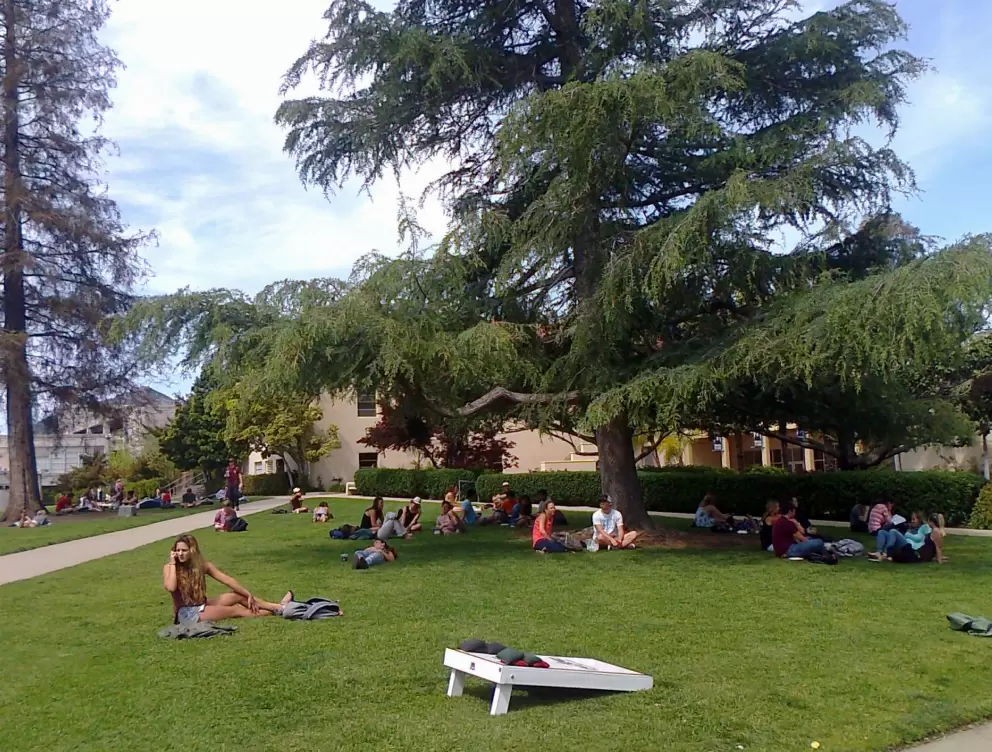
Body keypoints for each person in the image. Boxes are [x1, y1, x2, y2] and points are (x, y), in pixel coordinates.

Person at [163, 534, 296, 622]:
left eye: (184, 550)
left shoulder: (202, 566)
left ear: (192, 551)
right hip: (186, 614)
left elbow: (227, 580)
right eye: (178, 550)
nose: (180, 553)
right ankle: (277, 611)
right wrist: (173, 564)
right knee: (237, 609)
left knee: (236, 596)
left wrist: (248, 594)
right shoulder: (170, 567)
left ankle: (278, 607)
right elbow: (171, 587)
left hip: (202, 605)